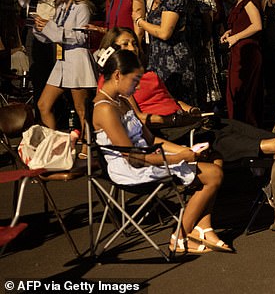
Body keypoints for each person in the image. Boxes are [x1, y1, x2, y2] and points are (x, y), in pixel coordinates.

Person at [93, 49, 232, 254]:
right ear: (117, 76)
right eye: (135, 80)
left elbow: (151, 139)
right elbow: (133, 157)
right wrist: (180, 157)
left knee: (214, 158)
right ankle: (180, 236)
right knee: (214, 174)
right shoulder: (105, 108)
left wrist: (186, 150)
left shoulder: (121, 101)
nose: (137, 85)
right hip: (132, 168)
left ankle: (203, 227)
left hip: (147, 157)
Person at [97, 27, 275, 160]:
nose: (132, 48)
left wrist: (191, 110)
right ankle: (273, 146)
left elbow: (172, 100)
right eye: (125, 44)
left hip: (180, 117)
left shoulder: (147, 73)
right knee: (213, 136)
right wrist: (173, 120)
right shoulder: (120, 80)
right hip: (166, 127)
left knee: (226, 123)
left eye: (134, 43)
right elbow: (137, 117)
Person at [17, 0, 82, 119]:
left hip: (56, 34)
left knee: (59, 81)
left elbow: (77, 1)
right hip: (34, 31)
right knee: (38, 78)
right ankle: (43, 122)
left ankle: (64, 123)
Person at [32, 0, 96, 133]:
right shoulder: (60, 8)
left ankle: (86, 146)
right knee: (43, 105)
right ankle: (53, 145)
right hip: (61, 61)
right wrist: (40, 28)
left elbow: (81, 36)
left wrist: (51, 28)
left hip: (76, 60)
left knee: (81, 109)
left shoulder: (82, 7)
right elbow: (52, 35)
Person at [132, 0, 197, 106]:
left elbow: (164, 32)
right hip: (158, 58)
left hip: (174, 61)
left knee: (178, 105)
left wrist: (140, 21)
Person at [220, 0, 263, 127]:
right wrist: (230, 32)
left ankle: (245, 127)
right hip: (239, 51)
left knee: (242, 91)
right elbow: (244, 23)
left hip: (248, 53)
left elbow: (257, 25)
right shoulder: (239, 1)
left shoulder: (248, 1)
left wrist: (235, 37)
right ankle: (238, 126)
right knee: (235, 90)